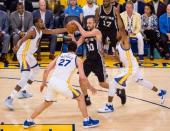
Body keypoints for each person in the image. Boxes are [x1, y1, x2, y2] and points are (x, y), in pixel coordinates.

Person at [23, 41, 100, 129]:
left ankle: (29, 120)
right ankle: (87, 121)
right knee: (81, 97)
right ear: (76, 50)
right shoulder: (77, 59)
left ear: (67, 49)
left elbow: (46, 70)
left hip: (51, 83)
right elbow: (82, 77)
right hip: (62, 84)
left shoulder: (59, 56)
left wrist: (43, 83)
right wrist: (90, 87)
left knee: (47, 103)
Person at [97, 25, 167, 113]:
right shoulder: (118, 44)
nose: (117, 33)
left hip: (131, 68)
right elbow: (118, 59)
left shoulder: (125, 42)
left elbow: (122, 29)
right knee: (141, 81)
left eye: (119, 32)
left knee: (113, 83)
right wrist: (105, 55)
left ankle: (109, 106)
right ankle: (161, 92)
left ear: (123, 35)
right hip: (132, 66)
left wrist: (117, 14)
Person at [4, 18, 67, 110]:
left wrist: (65, 29)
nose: (43, 23)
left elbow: (53, 31)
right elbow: (22, 39)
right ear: (36, 23)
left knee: (36, 70)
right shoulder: (32, 31)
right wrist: (16, 46)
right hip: (23, 54)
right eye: (41, 22)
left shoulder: (41, 30)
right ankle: (10, 98)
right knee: (25, 77)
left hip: (29, 55)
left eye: (43, 21)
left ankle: (24, 91)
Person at [71, 16, 126, 106]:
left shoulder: (97, 32)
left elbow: (84, 34)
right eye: (87, 23)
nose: (88, 25)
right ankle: (86, 98)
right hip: (88, 60)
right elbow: (77, 44)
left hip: (98, 61)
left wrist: (77, 24)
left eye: (90, 23)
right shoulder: (86, 34)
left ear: (94, 24)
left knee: (102, 83)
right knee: (81, 79)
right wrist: (72, 35)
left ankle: (119, 91)